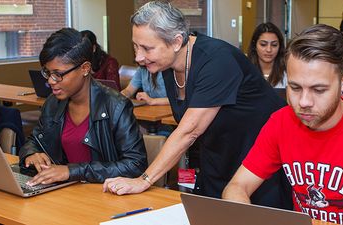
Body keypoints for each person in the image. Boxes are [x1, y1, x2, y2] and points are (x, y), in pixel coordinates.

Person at [222, 24, 343, 225]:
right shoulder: (281, 122)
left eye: (318, 90)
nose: (304, 102)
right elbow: (236, 187)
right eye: (295, 87)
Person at [102, 1, 290, 209]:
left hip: (256, 163)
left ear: (176, 41)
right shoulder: (167, 65)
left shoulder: (217, 60)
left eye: (147, 48)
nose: (138, 57)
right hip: (218, 156)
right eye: (136, 46)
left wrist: (144, 179)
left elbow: (189, 131)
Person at [19, 28, 147, 185]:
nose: (51, 81)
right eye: (47, 73)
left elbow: (135, 165)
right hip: (65, 193)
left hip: (104, 195)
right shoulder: (53, 103)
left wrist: (72, 171)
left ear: (85, 68)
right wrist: (31, 153)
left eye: (58, 74)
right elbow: (35, 139)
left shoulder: (116, 106)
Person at [248, 22, 287, 88]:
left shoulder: (287, 73)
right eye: (263, 44)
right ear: (254, 45)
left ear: (280, 47)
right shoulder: (244, 71)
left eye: (274, 45)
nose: (269, 50)